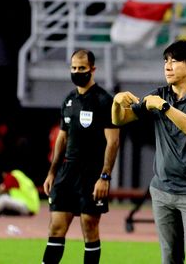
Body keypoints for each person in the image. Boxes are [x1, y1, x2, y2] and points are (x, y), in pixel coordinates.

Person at [112, 39, 186, 264]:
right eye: (166, 61)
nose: (168, 66)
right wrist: (116, 102)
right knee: (169, 258)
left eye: (175, 61)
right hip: (162, 191)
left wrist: (163, 106)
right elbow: (120, 120)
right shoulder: (160, 94)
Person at [41, 49, 120, 264]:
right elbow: (62, 138)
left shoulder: (105, 101)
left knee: (89, 225)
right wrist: (52, 173)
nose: (77, 72)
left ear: (93, 69)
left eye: (82, 68)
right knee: (56, 226)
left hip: (92, 173)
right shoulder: (69, 100)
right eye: (74, 68)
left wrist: (104, 177)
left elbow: (113, 142)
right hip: (68, 172)